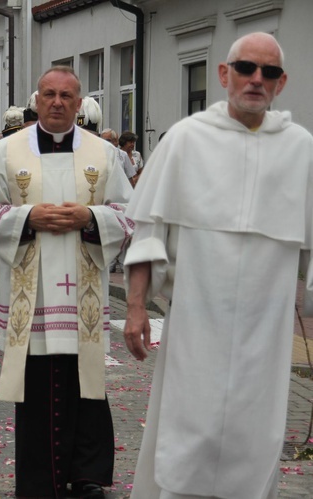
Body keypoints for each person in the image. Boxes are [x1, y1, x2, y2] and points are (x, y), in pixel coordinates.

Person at [124, 32, 312, 499]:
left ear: (281, 82)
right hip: (196, 323)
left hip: (266, 335)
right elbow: (149, 232)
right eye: (246, 68)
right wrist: (134, 307)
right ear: (224, 74)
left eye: (268, 72)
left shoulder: (301, 149)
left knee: (255, 436)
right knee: (190, 430)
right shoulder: (187, 139)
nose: (256, 79)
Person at [0, 66, 132, 498]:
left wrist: (90, 217)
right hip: (32, 294)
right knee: (38, 386)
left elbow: (130, 212)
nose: (57, 102)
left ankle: (89, 475)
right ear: (36, 101)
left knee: (87, 381)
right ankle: (39, 481)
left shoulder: (104, 153)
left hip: (85, 290)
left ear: (79, 104)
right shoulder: (6, 151)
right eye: (49, 94)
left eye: (66, 96)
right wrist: (28, 217)